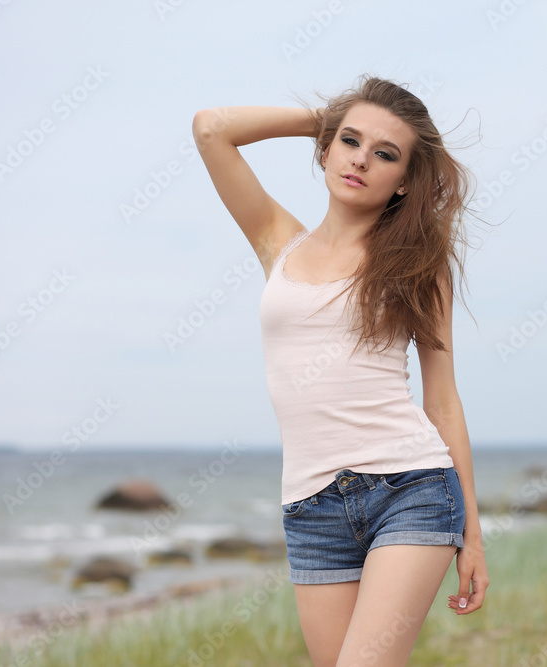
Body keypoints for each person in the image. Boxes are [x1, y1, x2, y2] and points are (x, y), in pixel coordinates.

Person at [192, 75, 489, 666]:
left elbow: (443, 400)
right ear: (327, 148)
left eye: (385, 154)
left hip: (410, 488)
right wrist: (322, 120)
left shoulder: (419, 264)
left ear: (405, 179)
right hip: (310, 507)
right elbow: (211, 129)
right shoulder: (278, 241)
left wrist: (473, 536)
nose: (360, 160)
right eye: (349, 142)